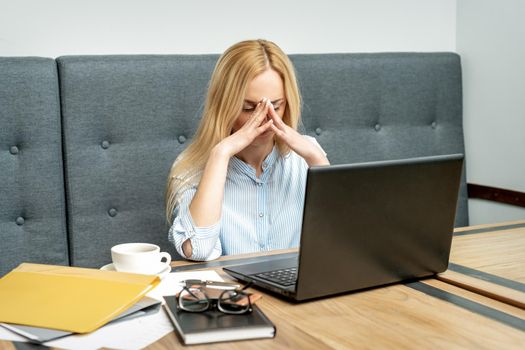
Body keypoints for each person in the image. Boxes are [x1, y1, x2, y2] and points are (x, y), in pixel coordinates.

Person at [166, 39, 329, 261]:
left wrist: (316, 159)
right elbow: (198, 250)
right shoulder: (191, 167)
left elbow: (346, 240)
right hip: (235, 294)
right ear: (225, 106)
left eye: (276, 106)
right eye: (249, 108)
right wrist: (220, 154)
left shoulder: (308, 155)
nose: (264, 118)